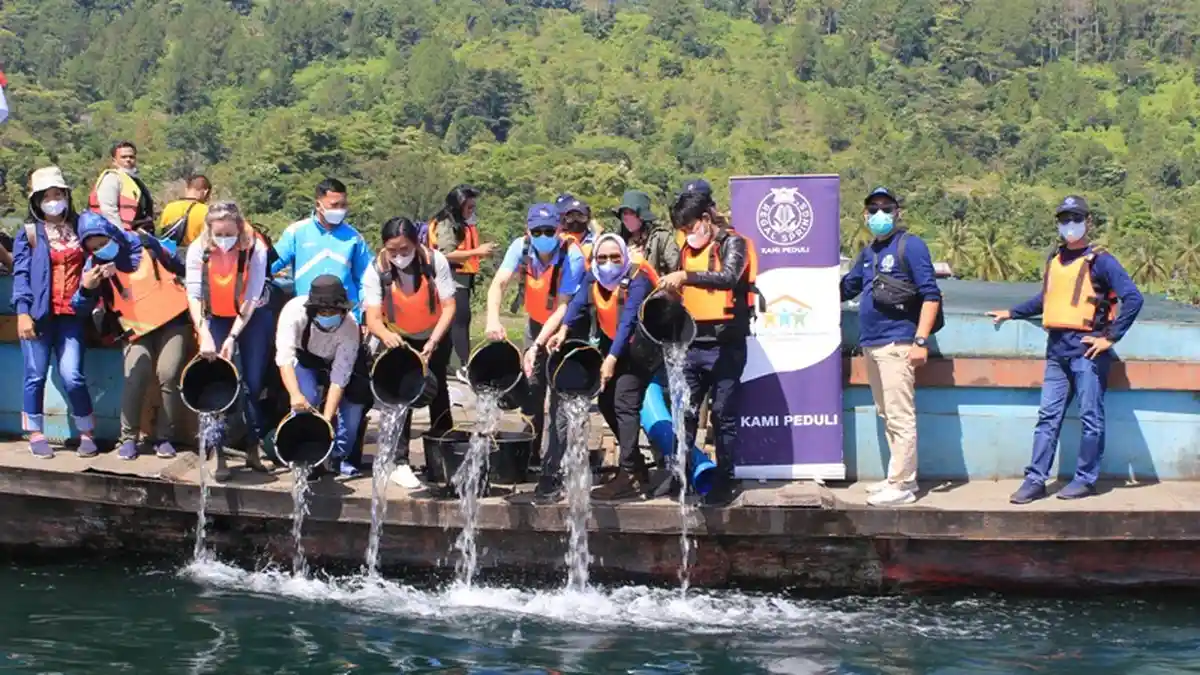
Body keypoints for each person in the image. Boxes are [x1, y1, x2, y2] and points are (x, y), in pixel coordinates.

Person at [989, 196, 1144, 504]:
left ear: (1088, 221)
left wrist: (1109, 338)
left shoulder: (1101, 260)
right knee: (1048, 417)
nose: (1069, 225)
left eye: (1075, 218)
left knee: (1090, 418)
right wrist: (1012, 312)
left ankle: (1085, 479)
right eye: (1064, 219)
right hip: (1057, 350)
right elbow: (1046, 300)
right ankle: (1035, 479)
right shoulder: (1055, 259)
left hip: (1088, 352)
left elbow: (1133, 298)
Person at [532, 234, 658, 501]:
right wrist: (563, 330)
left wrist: (610, 360)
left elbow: (627, 323)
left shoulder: (638, 281)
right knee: (606, 402)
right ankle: (635, 465)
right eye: (602, 258)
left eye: (615, 257)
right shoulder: (593, 278)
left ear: (624, 257)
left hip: (640, 351)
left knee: (624, 402)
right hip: (615, 347)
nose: (609, 263)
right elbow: (577, 304)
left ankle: (628, 476)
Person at [839, 187, 942, 507]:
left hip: (898, 343)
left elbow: (931, 294)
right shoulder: (868, 253)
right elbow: (847, 288)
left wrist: (920, 341)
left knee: (900, 415)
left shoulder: (910, 246)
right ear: (865, 215)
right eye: (873, 209)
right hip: (872, 344)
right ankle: (895, 475)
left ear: (898, 212)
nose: (880, 214)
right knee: (886, 414)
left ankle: (904, 484)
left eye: (887, 208)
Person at [657, 192, 758, 506]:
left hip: (727, 343)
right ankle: (680, 475)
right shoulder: (687, 250)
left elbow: (728, 278)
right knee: (685, 412)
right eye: (683, 230)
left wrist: (686, 276)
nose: (687, 235)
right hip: (693, 342)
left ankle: (725, 480)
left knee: (722, 413)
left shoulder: (734, 244)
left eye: (690, 227)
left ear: (705, 219)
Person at [485, 203, 586, 504]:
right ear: (529, 231)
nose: (544, 236)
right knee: (531, 391)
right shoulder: (522, 247)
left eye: (549, 231)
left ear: (559, 231)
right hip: (535, 321)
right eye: (538, 231)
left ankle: (552, 472)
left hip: (566, 327)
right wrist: (492, 318)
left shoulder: (573, 255)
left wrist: (537, 347)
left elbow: (564, 306)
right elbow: (498, 284)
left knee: (559, 403)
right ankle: (528, 457)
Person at [72, 210, 192, 461]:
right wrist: (86, 288)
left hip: (173, 320)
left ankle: (164, 437)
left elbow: (182, 267)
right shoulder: (95, 265)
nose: (101, 249)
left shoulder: (147, 243)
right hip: (135, 328)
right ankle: (128, 438)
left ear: (112, 234)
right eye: (94, 247)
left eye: (103, 242)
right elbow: (80, 307)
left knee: (168, 374)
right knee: (135, 375)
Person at [363, 217, 457, 489]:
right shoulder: (375, 270)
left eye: (405, 250)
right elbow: (372, 318)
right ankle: (398, 461)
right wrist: (386, 336)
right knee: (402, 394)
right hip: (399, 337)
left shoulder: (434, 261)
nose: (399, 256)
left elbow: (449, 307)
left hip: (435, 332)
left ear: (416, 244)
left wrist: (434, 342)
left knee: (438, 390)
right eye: (393, 251)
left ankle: (443, 453)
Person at [12, 167, 97, 459]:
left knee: (72, 374)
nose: (52, 201)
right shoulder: (29, 233)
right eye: (46, 196)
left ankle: (87, 432)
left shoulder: (82, 227)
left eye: (57, 194)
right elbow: (21, 274)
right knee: (34, 375)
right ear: (36, 201)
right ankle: (35, 433)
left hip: (72, 315)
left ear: (66, 196)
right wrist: (22, 312)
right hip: (39, 314)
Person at [185, 201, 272, 480]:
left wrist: (234, 336)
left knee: (253, 383)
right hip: (214, 316)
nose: (224, 239)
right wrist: (205, 333)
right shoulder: (199, 249)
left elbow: (252, 295)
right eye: (218, 233)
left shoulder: (254, 248)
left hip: (250, 317)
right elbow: (194, 293)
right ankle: (217, 451)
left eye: (229, 233)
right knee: (218, 380)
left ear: (239, 228)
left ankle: (252, 446)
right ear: (210, 230)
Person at [275, 274, 368, 478]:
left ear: (343, 310)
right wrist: (295, 395)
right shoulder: (293, 313)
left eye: (334, 311)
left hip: (338, 364)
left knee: (351, 415)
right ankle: (302, 457)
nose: (328, 315)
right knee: (306, 400)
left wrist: (326, 421)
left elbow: (339, 378)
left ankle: (336, 457)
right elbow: (284, 359)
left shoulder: (350, 328)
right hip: (306, 360)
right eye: (322, 311)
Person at [271, 178, 373, 318]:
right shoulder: (295, 232)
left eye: (343, 205)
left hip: (347, 316)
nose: (340, 210)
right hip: (306, 313)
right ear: (318, 205)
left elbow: (366, 278)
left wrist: (365, 314)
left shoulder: (354, 238)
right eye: (334, 205)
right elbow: (269, 265)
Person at [428, 185, 495, 383]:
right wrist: (477, 252)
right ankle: (464, 366)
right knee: (460, 320)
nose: (472, 211)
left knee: (457, 322)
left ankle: (449, 363)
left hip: (462, 279)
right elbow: (446, 254)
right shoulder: (446, 224)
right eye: (469, 207)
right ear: (458, 206)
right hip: (450, 279)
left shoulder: (460, 223)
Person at [89, 141, 154, 231]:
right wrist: (122, 235)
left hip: (141, 233)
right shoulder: (111, 178)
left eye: (131, 157)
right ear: (114, 161)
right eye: (123, 157)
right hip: (123, 235)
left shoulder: (137, 181)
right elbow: (108, 210)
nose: (128, 159)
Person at [159, 175, 212, 250]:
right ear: (206, 192)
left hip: (170, 255)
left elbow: (164, 235)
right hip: (194, 256)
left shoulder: (169, 207)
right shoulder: (207, 211)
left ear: (186, 189)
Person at [613, 190, 656, 264]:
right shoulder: (619, 237)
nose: (627, 217)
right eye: (625, 213)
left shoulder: (658, 237)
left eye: (632, 213)